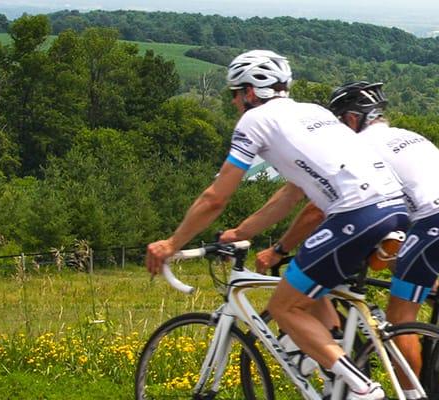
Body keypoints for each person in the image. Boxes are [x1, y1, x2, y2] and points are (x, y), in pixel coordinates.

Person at [145, 50, 408, 400]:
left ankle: (362, 389)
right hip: (393, 206)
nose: (235, 103)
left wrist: (172, 243)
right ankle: (337, 375)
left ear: (251, 92)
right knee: (310, 285)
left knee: (284, 306)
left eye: (235, 94)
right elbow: (291, 194)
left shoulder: (254, 122)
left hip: (355, 212)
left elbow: (215, 197)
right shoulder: (311, 112)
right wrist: (242, 233)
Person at [246, 81, 439, 400]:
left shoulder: (362, 148)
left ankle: (412, 394)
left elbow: (315, 210)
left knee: (400, 317)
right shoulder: (404, 135)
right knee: (393, 265)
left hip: (434, 218)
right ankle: (438, 314)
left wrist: (280, 250)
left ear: (352, 120)